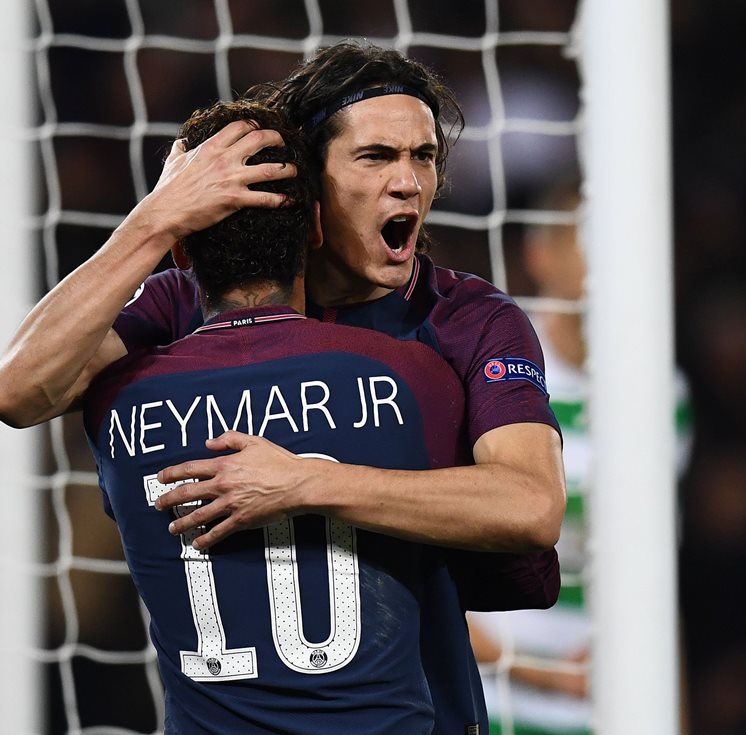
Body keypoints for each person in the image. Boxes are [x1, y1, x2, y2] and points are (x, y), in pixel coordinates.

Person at [0, 40, 566, 732]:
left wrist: (305, 482)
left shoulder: (468, 320)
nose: (409, 182)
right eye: (376, 156)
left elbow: (532, 505)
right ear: (309, 184)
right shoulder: (187, 302)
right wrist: (156, 218)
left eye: (424, 156)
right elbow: (18, 391)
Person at [85, 98, 485, 733]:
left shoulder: (117, 397)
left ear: (181, 252)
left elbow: (17, 393)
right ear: (316, 229)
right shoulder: (411, 376)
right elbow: (503, 553)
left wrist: (152, 221)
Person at [466, 183, 693, 735]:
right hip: (488, 702)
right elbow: (421, 562)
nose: (615, 260)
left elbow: (656, 573)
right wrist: (537, 672)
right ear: (540, 255)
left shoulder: (663, 391)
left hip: (607, 709)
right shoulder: (483, 360)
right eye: (593, 240)